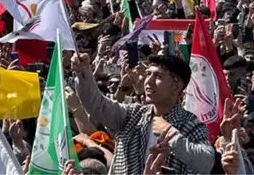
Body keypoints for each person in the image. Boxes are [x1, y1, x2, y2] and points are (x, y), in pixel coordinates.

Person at [72, 53, 215, 175]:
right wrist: (83, 72)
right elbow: (97, 105)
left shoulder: (191, 125)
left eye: (158, 76)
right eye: (148, 74)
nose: (148, 81)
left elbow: (206, 163)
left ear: (177, 87)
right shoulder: (132, 115)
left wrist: (171, 134)